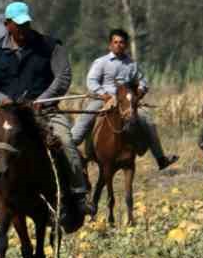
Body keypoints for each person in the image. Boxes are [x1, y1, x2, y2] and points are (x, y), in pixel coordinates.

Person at [0, 1, 91, 223]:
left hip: (44, 112)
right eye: (18, 25)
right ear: (7, 24)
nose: (23, 29)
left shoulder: (50, 46)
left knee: (66, 140)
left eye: (26, 24)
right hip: (7, 114)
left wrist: (42, 99)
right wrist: (1, 99)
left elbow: (63, 76)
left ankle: (79, 194)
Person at [69, 28, 176, 171]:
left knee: (148, 121)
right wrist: (103, 94)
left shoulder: (132, 64)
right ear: (110, 45)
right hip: (105, 99)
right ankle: (69, 145)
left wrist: (140, 91)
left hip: (126, 102)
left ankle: (160, 158)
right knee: (87, 115)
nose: (118, 45)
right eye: (115, 42)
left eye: (122, 42)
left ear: (125, 45)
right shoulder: (101, 62)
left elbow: (143, 81)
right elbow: (92, 81)